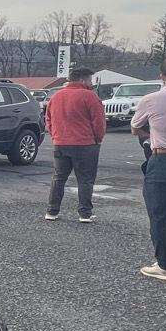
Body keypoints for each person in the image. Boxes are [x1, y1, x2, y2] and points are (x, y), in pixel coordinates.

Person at [131, 55, 166, 282]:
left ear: (161, 76)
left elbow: (135, 127)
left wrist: (152, 135)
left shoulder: (151, 100)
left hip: (165, 160)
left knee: (161, 215)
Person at [44, 65, 106, 223]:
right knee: (85, 179)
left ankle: (52, 210)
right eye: (90, 80)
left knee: (59, 177)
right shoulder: (90, 96)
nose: (91, 83)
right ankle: (84, 213)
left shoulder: (56, 97)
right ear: (82, 80)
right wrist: (97, 139)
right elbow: (99, 122)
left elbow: (48, 119)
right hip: (85, 144)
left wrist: (55, 135)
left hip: (61, 143)